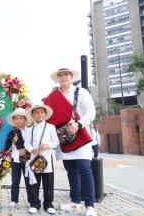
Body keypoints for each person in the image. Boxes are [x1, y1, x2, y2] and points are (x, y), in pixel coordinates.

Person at [43, 68, 97, 216]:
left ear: (71, 76)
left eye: (66, 74)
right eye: (60, 75)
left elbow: (91, 113)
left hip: (81, 136)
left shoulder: (82, 92)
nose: (63, 77)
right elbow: (44, 113)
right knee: (71, 171)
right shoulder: (53, 96)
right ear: (57, 79)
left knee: (85, 169)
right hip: (64, 138)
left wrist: (78, 124)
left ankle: (90, 206)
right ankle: (75, 201)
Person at [24, 103, 59, 215]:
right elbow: (27, 143)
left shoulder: (50, 127)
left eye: (42, 112)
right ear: (33, 115)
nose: (39, 114)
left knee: (48, 182)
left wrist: (47, 145)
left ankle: (48, 204)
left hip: (47, 158)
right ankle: (35, 204)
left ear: (45, 114)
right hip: (35, 159)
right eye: (37, 112)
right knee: (35, 182)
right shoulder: (30, 129)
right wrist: (32, 149)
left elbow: (56, 142)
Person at [4, 107, 32, 208]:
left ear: (25, 119)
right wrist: (13, 141)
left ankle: (31, 200)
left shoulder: (29, 131)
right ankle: (13, 200)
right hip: (15, 159)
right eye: (16, 118)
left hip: (26, 159)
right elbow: (7, 147)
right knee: (15, 181)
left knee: (28, 180)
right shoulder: (12, 132)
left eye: (21, 118)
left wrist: (20, 142)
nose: (19, 120)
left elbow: (32, 144)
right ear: (14, 120)